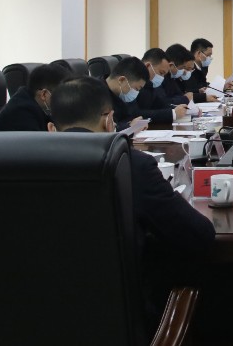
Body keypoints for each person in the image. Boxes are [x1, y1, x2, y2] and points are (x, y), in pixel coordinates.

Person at [47, 76, 216, 323]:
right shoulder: (130, 165)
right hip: (119, 321)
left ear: (51, 128)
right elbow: (199, 235)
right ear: (109, 121)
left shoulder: (21, 170)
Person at [0, 63, 71, 132]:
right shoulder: (21, 112)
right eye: (62, 94)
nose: (64, 99)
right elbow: (41, 145)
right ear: (44, 94)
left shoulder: (35, 104)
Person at [136, 48, 188, 127]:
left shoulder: (151, 83)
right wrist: (172, 113)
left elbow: (160, 103)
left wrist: (176, 108)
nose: (162, 78)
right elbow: (136, 113)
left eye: (164, 75)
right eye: (161, 73)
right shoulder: (133, 82)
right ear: (148, 66)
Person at [103, 56, 150, 131]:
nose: (136, 93)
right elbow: (102, 131)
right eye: (136, 89)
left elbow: (128, 117)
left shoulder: (120, 95)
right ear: (122, 80)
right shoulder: (96, 95)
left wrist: (138, 123)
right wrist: (129, 127)